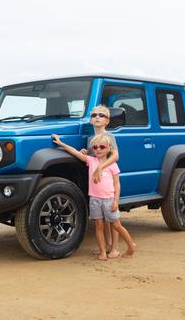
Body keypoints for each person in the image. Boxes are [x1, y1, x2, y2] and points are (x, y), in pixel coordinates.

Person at [52, 133, 136, 260]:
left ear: (108, 148)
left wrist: (115, 201)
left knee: (117, 225)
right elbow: (75, 152)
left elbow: (117, 185)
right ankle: (103, 251)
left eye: (102, 147)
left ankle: (131, 245)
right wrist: (61, 143)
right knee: (98, 225)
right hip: (94, 199)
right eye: (95, 147)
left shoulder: (112, 165)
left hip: (109, 199)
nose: (98, 150)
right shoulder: (91, 161)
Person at [82, 104, 120, 253]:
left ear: (107, 121)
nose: (97, 117)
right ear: (90, 120)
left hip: (110, 180)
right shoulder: (91, 139)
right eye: (94, 115)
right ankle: (108, 245)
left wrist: (101, 167)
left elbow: (116, 156)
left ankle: (115, 248)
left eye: (101, 115)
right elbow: (93, 158)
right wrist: (85, 152)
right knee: (102, 219)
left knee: (112, 218)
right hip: (97, 185)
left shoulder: (110, 137)